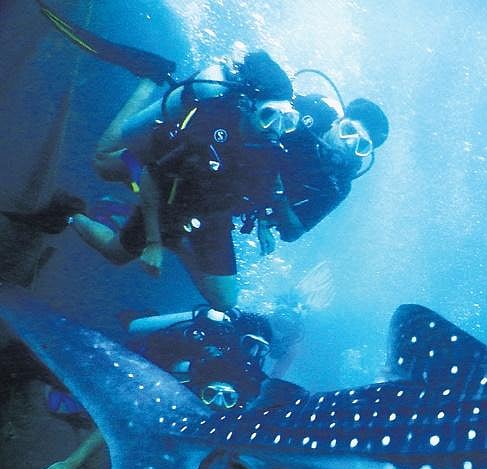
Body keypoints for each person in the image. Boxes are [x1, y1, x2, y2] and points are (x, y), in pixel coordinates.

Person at [4, 5, 297, 310]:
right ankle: (69, 212)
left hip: (206, 212)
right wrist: (155, 242)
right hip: (164, 187)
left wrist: (264, 218)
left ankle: (161, 231)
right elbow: (150, 176)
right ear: (246, 106)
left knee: (225, 301)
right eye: (268, 116)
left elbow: (268, 179)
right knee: (105, 175)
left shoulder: (272, 144)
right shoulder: (205, 128)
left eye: (285, 120)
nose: (275, 130)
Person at [29, 305, 279, 469]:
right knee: (59, 398)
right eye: (249, 345)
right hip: (128, 387)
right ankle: (71, 408)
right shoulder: (193, 369)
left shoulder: (251, 387)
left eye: (259, 350)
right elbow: (126, 410)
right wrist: (71, 464)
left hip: (167, 428)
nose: (250, 356)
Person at [259, 92, 389, 248]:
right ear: (337, 122)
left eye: (361, 146)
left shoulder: (339, 186)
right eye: (348, 130)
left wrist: (276, 195)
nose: (349, 143)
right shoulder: (308, 111)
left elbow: (292, 232)